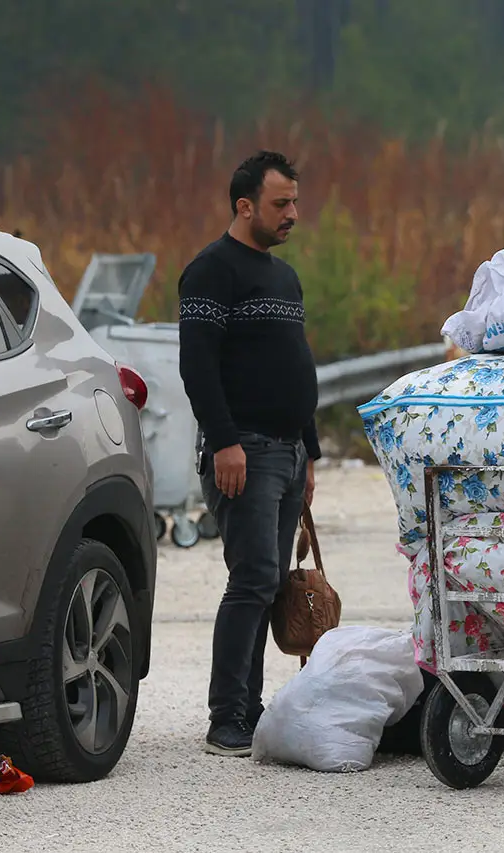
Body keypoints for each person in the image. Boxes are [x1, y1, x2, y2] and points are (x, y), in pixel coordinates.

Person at [178, 150, 321, 757]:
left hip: (287, 453)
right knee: (254, 578)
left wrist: (310, 453)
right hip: (245, 451)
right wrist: (224, 440)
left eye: (294, 200)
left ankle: (253, 708)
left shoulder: (283, 276)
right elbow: (197, 365)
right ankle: (227, 715)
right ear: (245, 206)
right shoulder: (211, 272)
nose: (292, 213)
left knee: (269, 583)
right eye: (279, 203)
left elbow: (297, 366)